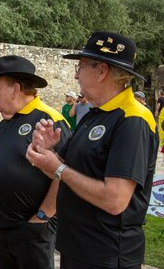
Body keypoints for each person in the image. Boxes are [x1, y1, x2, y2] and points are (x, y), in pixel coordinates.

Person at [26, 31, 158, 269]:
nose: (76, 75)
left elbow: (115, 200)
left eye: (81, 66)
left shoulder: (133, 119)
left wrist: (56, 167)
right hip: (78, 249)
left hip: (106, 255)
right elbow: (64, 171)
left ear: (102, 71)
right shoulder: (95, 114)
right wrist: (47, 153)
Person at [0, 55, 71, 268]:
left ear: (16, 89)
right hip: (3, 228)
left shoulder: (49, 120)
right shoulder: (6, 123)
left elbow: (67, 174)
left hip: (32, 230)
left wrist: (42, 216)